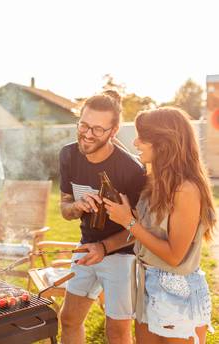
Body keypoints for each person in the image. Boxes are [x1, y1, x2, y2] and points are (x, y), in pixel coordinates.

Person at [103, 107, 215, 343]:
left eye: (142, 138)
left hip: (178, 292)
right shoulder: (154, 182)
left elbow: (174, 256)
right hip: (148, 283)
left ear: (164, 142)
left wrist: (130, 221)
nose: (135, 142)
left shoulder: (186, 190)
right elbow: (145, 234)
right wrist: (106, 242)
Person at [58, 90, 146, 344]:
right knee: (69, 320)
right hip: (86, 248)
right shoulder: (68, 155)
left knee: (117, 333)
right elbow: (64, 208)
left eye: (97, 129)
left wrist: (104, 246)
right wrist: (77, 206)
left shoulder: (132, 170)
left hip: (122, 256)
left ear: (113, 131)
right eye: (84, 125)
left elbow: (140, 228)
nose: (87, 134)